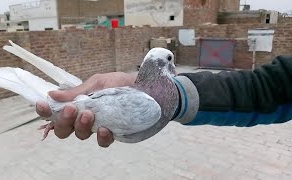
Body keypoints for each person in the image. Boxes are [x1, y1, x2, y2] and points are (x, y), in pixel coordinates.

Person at [36, 55, 292, 148]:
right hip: (89, 104)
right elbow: (266, 87)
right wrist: (58, 112)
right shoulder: (146, 104)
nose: (174, 66)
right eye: (170, 61)